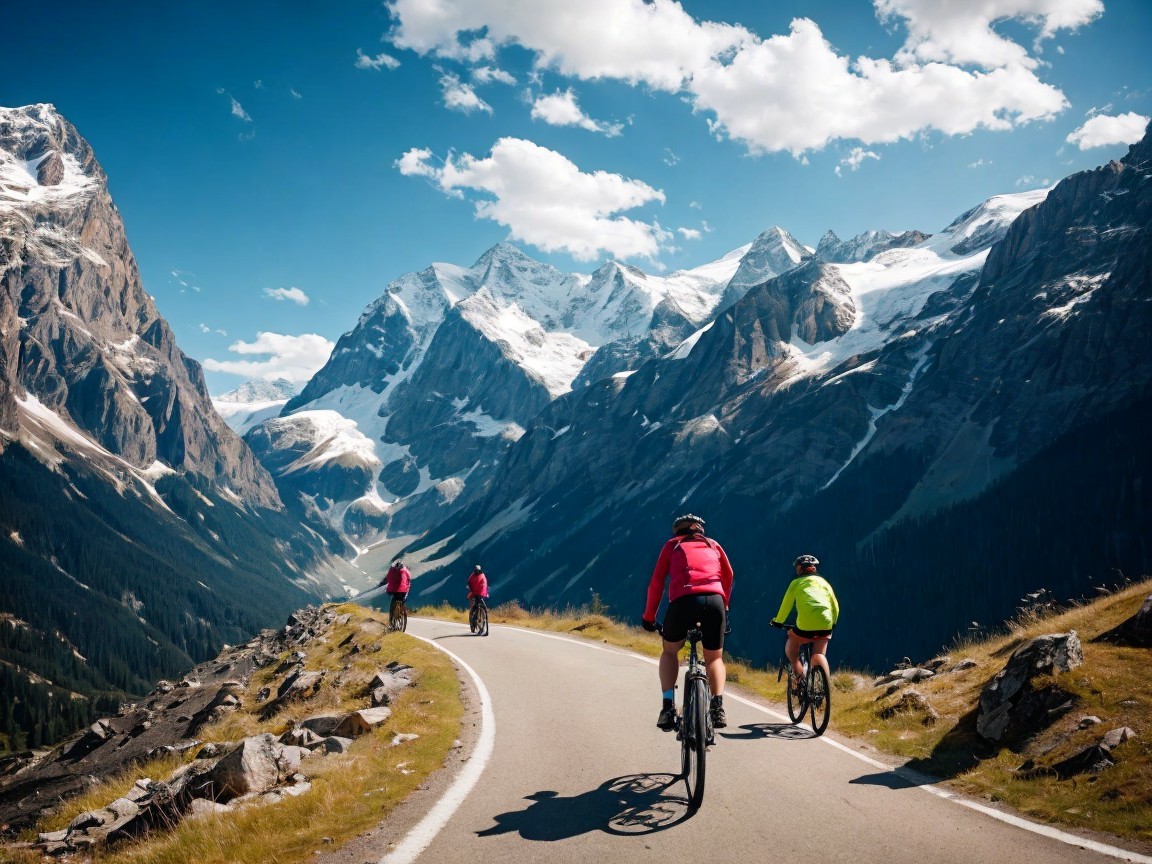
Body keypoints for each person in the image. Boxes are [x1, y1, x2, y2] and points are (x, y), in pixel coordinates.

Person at [641, 514, 734, 730]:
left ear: (677, 531)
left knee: (670, 650)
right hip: (714, 601)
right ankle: (717, 706)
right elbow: (729, 575)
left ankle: (667, 707)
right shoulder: (714, 545)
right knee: (714, 658)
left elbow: (656, 583)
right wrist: (725, 604)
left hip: (683, 602)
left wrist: (649, 618)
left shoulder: (672, 545)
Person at [771, 554, 839, 691]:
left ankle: (800, 678)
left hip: (805, 627)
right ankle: (824, 687)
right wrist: (833, 623)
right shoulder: (825, 583)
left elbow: (786, 606)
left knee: (791, 647)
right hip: (826, 624)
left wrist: (778, 621)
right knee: (819, 653)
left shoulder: (795, 583)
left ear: (800, 569)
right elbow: (835, 606)